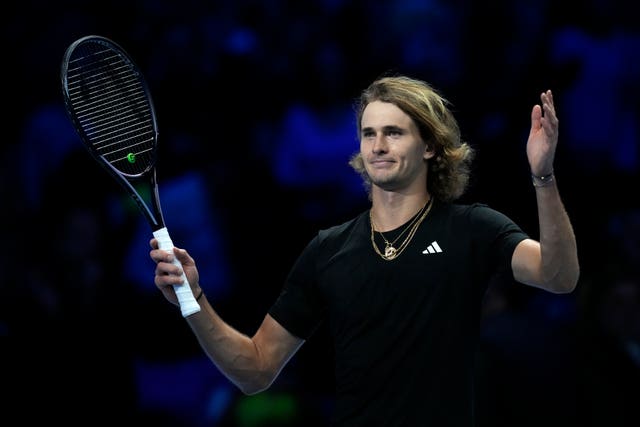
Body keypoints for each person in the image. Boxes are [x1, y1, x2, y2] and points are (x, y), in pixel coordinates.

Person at [150, 74, 579, 426]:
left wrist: (543, 176)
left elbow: (558, 277)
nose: (377, 146)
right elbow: (256, 369)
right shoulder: (328, 250)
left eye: (394, 133)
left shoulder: (473, 228)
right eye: (368, 133)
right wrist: (193, 300)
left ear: (429, 146)